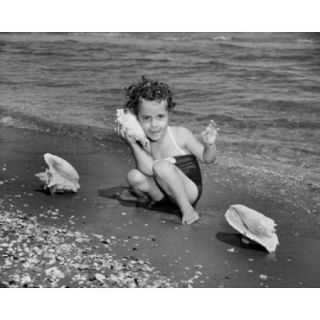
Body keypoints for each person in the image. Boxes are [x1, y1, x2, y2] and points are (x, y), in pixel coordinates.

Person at [116, 76, 218, 224]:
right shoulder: (144, 140)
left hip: (189, 191)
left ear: (169, 114)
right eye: (146, 118)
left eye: (160, 117)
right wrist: (132, 144)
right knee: (134, 176)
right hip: (165, 194)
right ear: (137, 118)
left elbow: (208, 159)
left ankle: (187, 209)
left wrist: (210, 144)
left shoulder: (180, 134)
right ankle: (150, 198)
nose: (154, 125)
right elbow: (147, 170)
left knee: (161, 166)